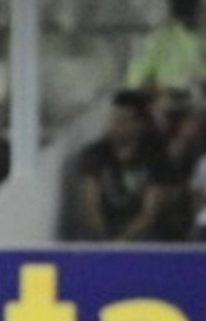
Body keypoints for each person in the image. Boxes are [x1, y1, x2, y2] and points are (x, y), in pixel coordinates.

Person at [75, 90, 176, 241]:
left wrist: (124, 239)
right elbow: (90, 206)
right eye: (114, 119)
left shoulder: (155, 155)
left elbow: (150, 212)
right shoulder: (94, 153)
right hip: (103, 231)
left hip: (141, 232)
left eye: (124, 120)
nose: (116, 126)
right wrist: (106, 242)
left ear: (139, 124)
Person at [127, 0, 206, 95]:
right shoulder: (159, 39)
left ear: (198, 6)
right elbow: (136, 80)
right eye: (181, 12)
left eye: (189, 10)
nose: (185, 19)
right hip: (168, 109)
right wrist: (166, 89)